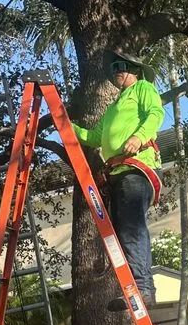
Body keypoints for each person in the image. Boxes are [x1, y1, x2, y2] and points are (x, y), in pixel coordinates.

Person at [71, 49, 165, 311]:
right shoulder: (114, 106)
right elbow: (94, 138)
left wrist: (139, 137)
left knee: (132, 229)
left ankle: (144, 289)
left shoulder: (143, 88)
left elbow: (155, 114)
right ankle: (135, 288)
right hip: (117, 173)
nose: (116, 71)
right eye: (113, 67)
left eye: (121, 66)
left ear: (135, 70)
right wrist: (68, 127)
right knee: (121, 232)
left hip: (137, 169)